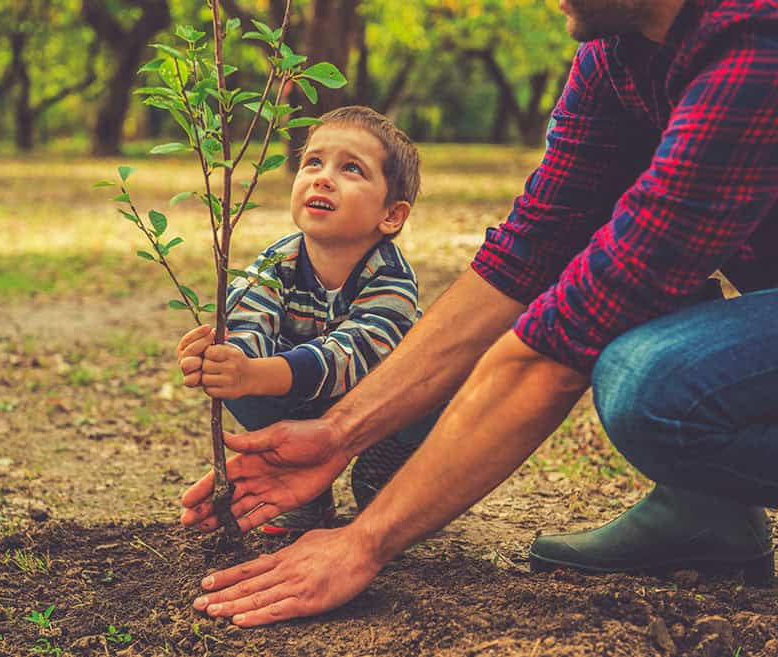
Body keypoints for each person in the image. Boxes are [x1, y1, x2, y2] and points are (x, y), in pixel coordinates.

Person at [178, 0, 778, 628]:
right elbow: (529, 253)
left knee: (651, 384)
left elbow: (561, 347)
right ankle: (707, 509)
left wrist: (365, 539)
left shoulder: (754, 42)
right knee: (619, 251)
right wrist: (338, 433)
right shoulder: (614, 55)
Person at [176, 106, 442, 536]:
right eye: (313, 162)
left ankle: (391, 467)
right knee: (240, 382)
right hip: (302, 396)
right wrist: (225, 359)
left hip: (379, 403)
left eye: (351, 168)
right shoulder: (278, 261)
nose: (323, 177)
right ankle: (307, 493)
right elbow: (248, 318)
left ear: (391, 214)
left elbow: (353, 355)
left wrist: (260, 372)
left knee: (435, 386)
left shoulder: (391, 277)